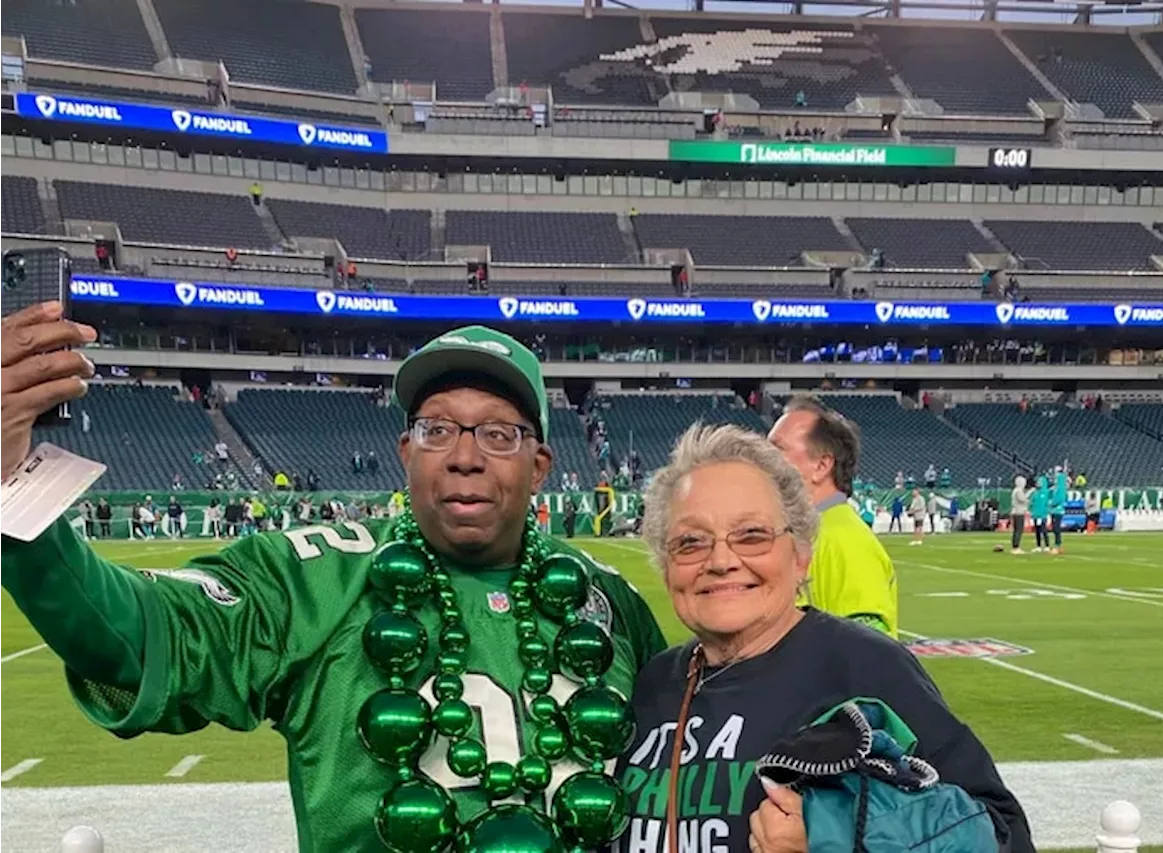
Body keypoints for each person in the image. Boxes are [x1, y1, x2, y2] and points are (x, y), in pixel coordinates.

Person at [0, 307, 667, 853]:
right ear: (406, 451)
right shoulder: (314, 574)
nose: (465, 457)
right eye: (437, 429)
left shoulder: (609, 599)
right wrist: (10, 482)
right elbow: (136, 635)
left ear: (541, 462)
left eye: (497, 433)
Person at [620, 424, 1034, 853]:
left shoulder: (866, 668)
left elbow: (1006, 836)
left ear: (800, 556)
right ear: (665, 565)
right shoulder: (654, 682)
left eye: (752, 535)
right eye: (691, 542)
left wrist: (834, 834)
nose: (722, 560)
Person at [767, 395, 897, 637]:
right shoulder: (808, 533)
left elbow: (871, 660)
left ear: (821, 466)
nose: (761, 460)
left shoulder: (846, 542)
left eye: (776, 450)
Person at [1009, 474, 1033, 554]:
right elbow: (1023, 499)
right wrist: (1029, 500)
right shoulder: (1018, 490)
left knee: (1016, 530)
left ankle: (1015, 547)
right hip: (1019, 512)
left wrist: (1030, 492)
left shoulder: (1016, 490)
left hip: (1016, 512)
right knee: (1018, 530)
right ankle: (1016, 547)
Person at [1048, 466, 1068, 554]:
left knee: (1056, 528)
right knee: (1055, 528)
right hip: (1055, 510)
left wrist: (1050, 503)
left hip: (1057, 510)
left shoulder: (1060, 487)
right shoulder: (1057, 487)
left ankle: (1057, 546)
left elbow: (1058, 498)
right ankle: (1058, 545)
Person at [1031, 472, 1050, 552]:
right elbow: (1032, 503)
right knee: (1037, 531)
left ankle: (1047, 546)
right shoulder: (1035, 493)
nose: (1037, 483)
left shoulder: (1046, 492)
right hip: (1036, 515)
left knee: (1044, 530)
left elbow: (1047, 504)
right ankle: (1038, 546)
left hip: (1043, 515)